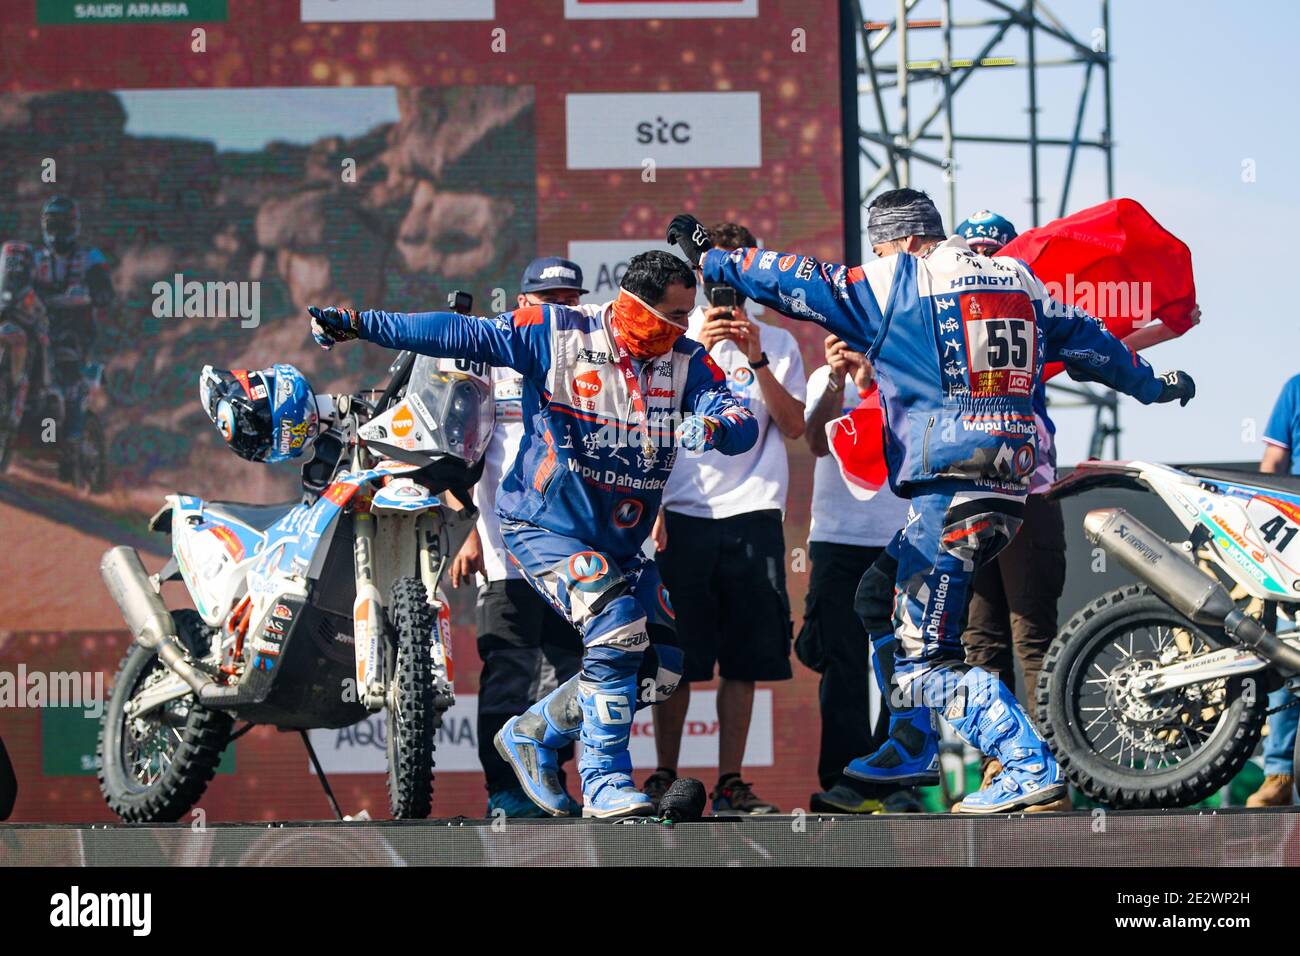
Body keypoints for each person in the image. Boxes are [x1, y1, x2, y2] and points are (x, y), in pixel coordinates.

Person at [668, 189, 1196, 812]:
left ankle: (1026, 766)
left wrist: (713, 261)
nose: (879, 258)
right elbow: (1089, 343)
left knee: (927, 658)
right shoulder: (1019, 278)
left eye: (882, 247)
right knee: (874, 596)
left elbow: (795, 280)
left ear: (902, 241)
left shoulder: (902, 277)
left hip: (949, 490)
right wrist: (1152, 384)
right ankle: (910, 741)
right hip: (1005, 486)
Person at [308, 250, 758, 818]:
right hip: (542, 526)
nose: (680, 327)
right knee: (615, 629)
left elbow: (741, 422)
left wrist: (714, 422)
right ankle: (603, 783)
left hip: (620, 543)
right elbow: (456, 332)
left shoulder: (688, 359)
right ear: (634, 305)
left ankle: (533, 732)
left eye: (686, 316)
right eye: (671, 316)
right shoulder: (557, 331)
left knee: (659, 667)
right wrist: (359, 323)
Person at [644, 221, 806, 816]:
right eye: (716, 283)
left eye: (735, 282)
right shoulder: (674, 343)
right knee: (676, 659)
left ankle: (731, 782)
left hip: (753, 515)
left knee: (746, 658)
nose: (726, 299)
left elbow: (793, 427)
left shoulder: (779, 344)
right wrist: (707, 350)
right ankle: (663, 775)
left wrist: (755, 357)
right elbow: (650, 426)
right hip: (683, 515)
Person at [447, 257, 589, 818]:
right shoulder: (485, 365)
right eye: (547, 298)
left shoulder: (596, 369)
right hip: (504, 553)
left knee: (572, 675)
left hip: (576, 555)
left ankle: (552, 786)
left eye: (569, 299)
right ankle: (506, 793)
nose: (559, 308)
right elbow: (450, 456)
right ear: (523, 305)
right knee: (508, 674)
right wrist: (466, 529)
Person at [954, 211, 1070, 810]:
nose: (981, 261)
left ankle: (1049, 772)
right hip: (969, 498)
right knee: (980, 641)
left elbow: (1096, 345)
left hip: (1030, 492)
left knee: (1034, 636)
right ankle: (1001, 769)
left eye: (992, 251)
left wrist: (1157, 329)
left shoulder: (1030, 311)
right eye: (970, 250)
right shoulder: (942, 323)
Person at [799, 333, 914, 812]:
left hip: (900, 534)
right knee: (840, 663)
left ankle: (895, 778)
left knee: (904, 662)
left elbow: (906, 438)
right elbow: (816, 442)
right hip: (836, 538)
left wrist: (873, 385)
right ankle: (845, 778)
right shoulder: (823, 381)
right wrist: (835, 383)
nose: (853, 350)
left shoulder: (906, 375)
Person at [1248, 375, 1300, 807]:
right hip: (1296, 531)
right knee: (1288, 648)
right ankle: (1279, 772)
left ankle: (1281, 770)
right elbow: (1273, 464)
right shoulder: (1296, 387)